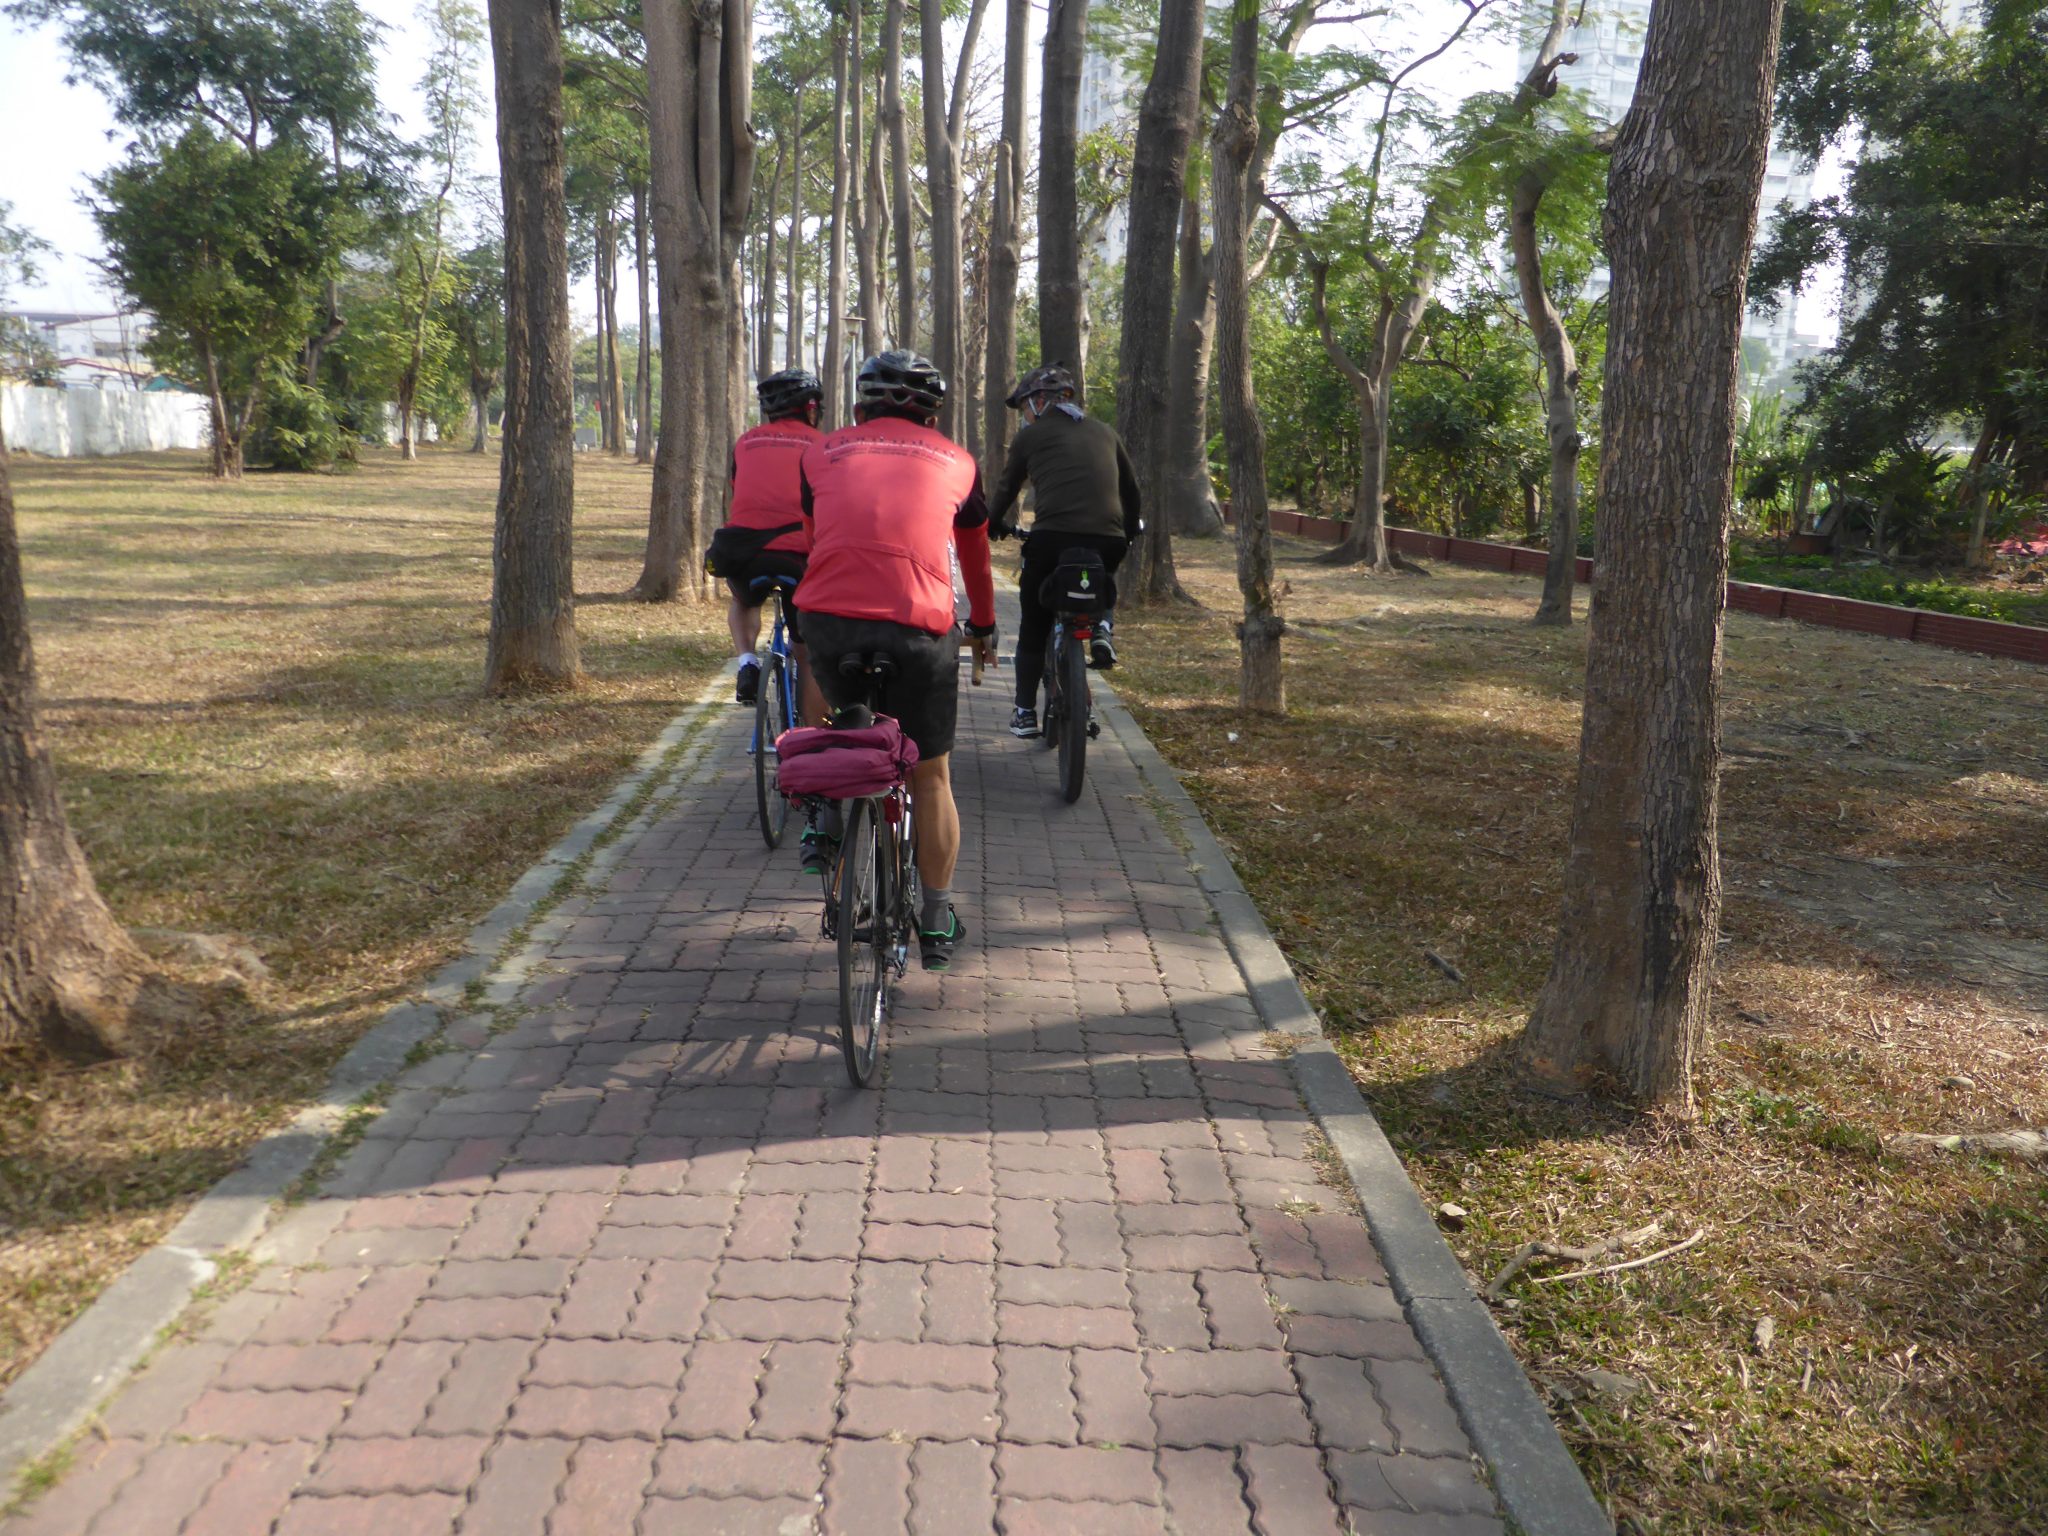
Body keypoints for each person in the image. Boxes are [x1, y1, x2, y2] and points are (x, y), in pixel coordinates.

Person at [796, 350, 998, 972]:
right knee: (930, 776)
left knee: (840, 711)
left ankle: (827, 812)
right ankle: (936, 917)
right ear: (934, 414)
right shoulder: (960, 463)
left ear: (859, 407)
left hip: (829, 621)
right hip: (917, 627)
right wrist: (984, 627)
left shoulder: (819, 453)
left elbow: (814, 541)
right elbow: (976, 559)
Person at [988, 363, 1141, 739]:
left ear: (1039, 402)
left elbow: (1007, 488)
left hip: (1051, 540)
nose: (1024, 416)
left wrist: (993, 524)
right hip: (1109, 538)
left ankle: (1024, 712)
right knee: (1102, 573)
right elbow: (1132, 491)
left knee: (1034, 626)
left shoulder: (1031, 436)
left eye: (1024, 407)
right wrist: (1130, 530)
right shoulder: (1106, 432)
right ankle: (1103, 626)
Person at [718, 369, 825, 715]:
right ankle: (809, 737)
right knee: (807, 651)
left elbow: (739, 492)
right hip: (800, 557)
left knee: (743, 600)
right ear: (811, 408)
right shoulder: (823, 447)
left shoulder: (745, 442)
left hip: (745, 555)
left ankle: (747, 661)